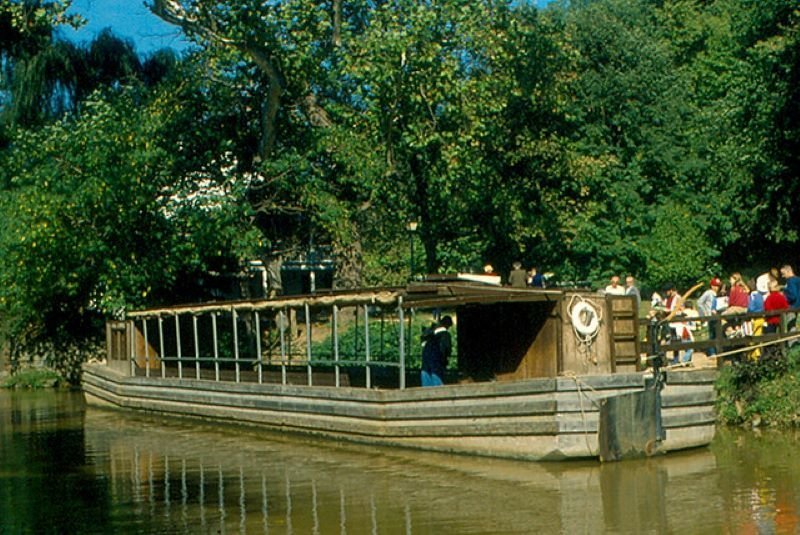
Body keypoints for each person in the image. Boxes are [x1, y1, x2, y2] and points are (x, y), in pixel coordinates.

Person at [420, 316, 453, 387]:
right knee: (438, 387)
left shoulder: (429, 336)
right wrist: (445, 360)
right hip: (437, 366)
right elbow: (445, 350)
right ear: (448, 325)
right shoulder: (445, 335)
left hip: (425, 366)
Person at [697, 278, 721, 356]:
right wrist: (704, 312)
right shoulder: (708, 293)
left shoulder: (717, 294)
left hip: (716, 316)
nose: (717, 287)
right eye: (715, 286)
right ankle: (711, 352)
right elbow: (699, 302)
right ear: (711, 286)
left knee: (716, 333)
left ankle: (717, 350)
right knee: (711, 334)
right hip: (709, 316)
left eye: (718, 286)